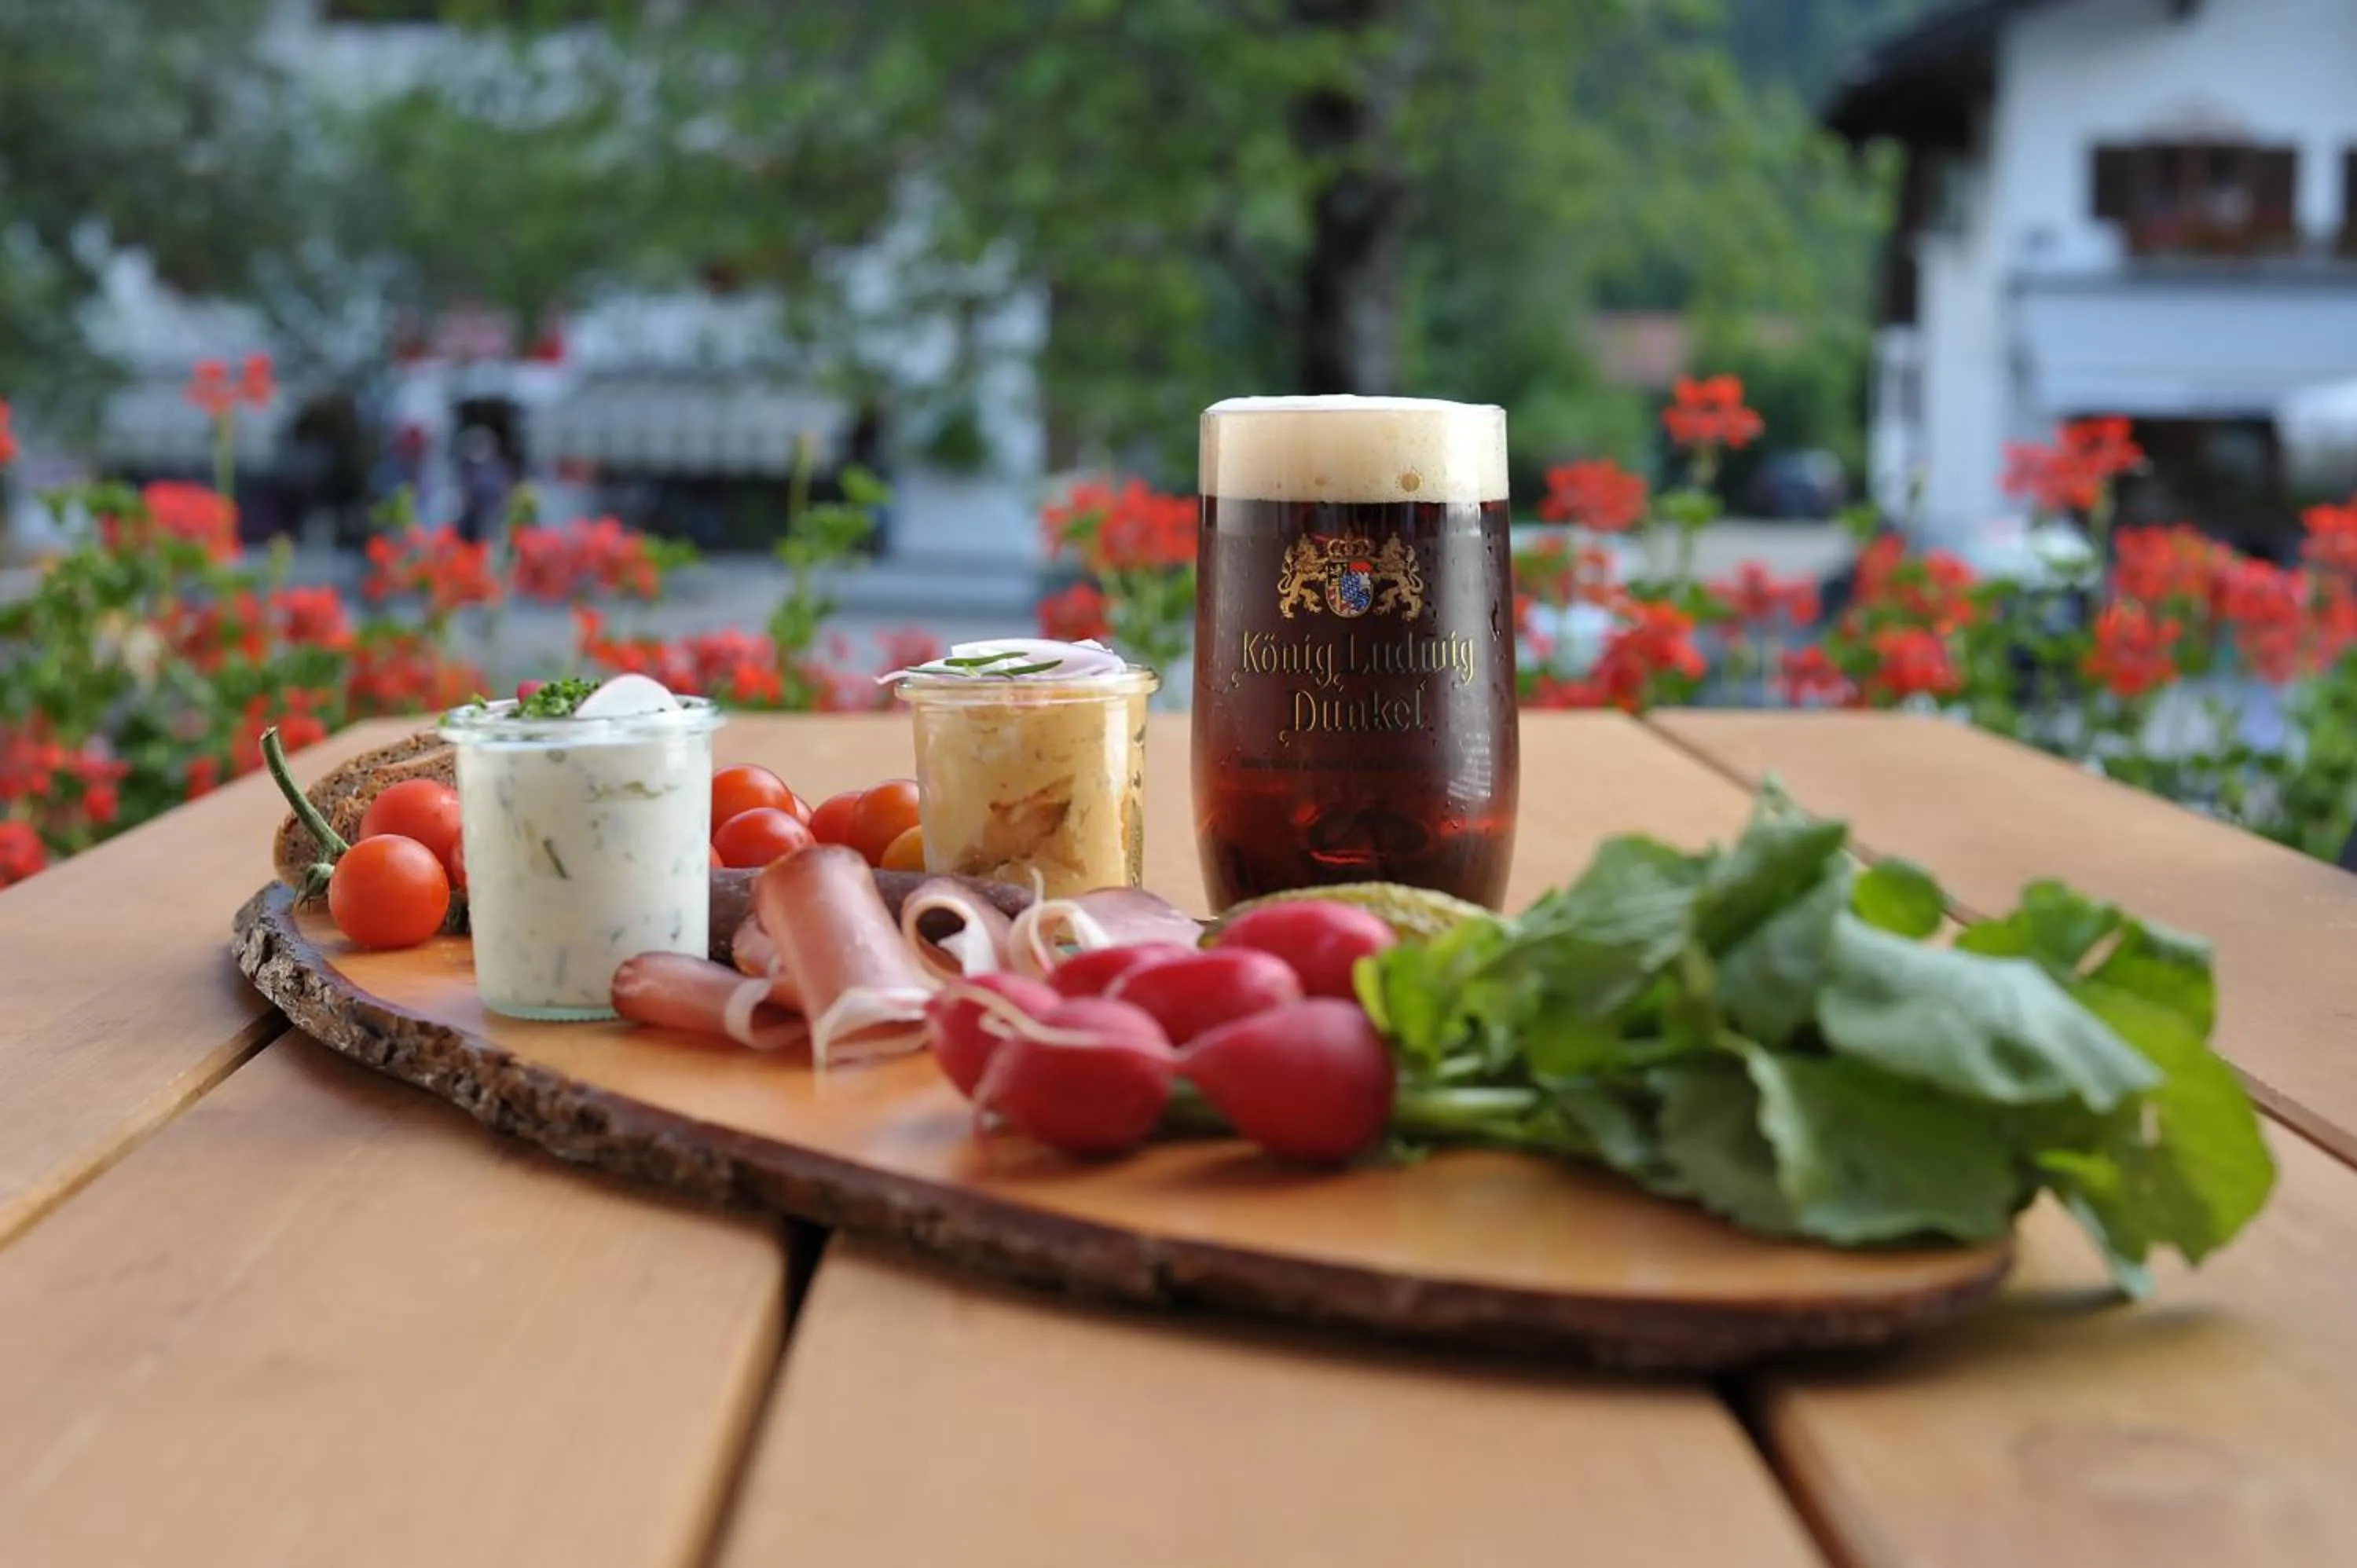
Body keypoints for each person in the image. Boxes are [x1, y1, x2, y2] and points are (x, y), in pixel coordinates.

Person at [453, 425, 511, 544]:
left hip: (494, 520)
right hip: (472, 525)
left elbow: (503, 495)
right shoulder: (467, 471)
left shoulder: (498, 470)